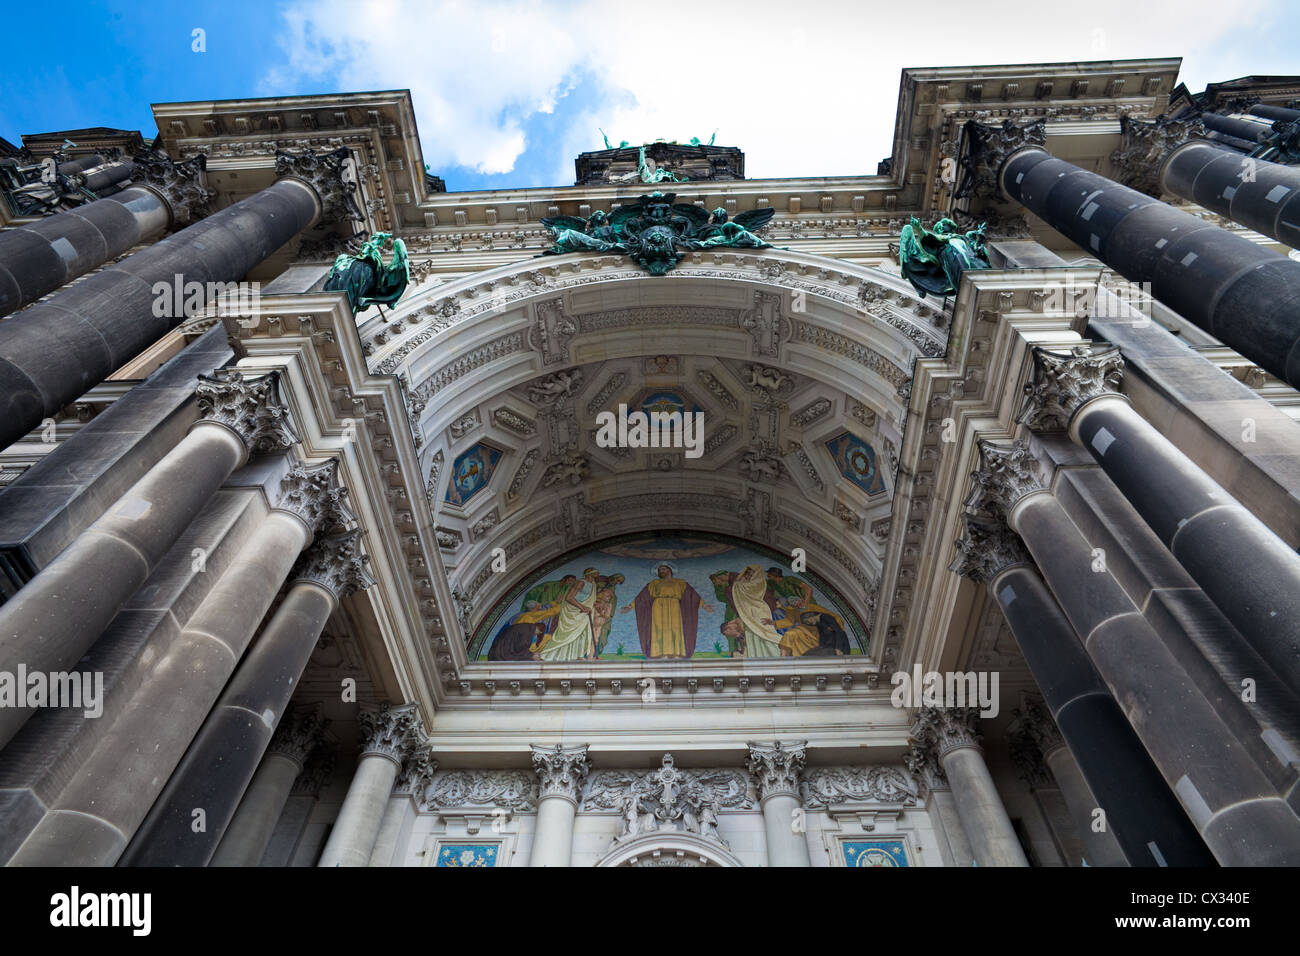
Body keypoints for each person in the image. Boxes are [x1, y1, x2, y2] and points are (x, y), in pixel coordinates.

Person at [619, 564, 713, 659]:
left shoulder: (680, 582)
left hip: (674, 605)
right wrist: (630, 606)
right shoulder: (654, 583)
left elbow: (692, 595)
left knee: (676, 629)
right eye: (659, 570)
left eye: (663, 569)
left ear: (670, 570)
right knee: (658, 629)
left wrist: (704, 605)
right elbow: (643, 597)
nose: (661, 571)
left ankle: (676, 653)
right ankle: (660, 654)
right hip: (658, 606)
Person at [538, 568, 601, 662]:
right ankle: (547, 653)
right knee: (566, 634)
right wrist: (582, 607)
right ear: (588, 574)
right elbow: (569, 597)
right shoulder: (580, 583)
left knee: (582, 632)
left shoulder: (593, 585)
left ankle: (578, 654)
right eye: (593, 575)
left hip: (584, 612)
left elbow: (590, 599)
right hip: (572, 610)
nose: (594, 577)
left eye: (596, 576)